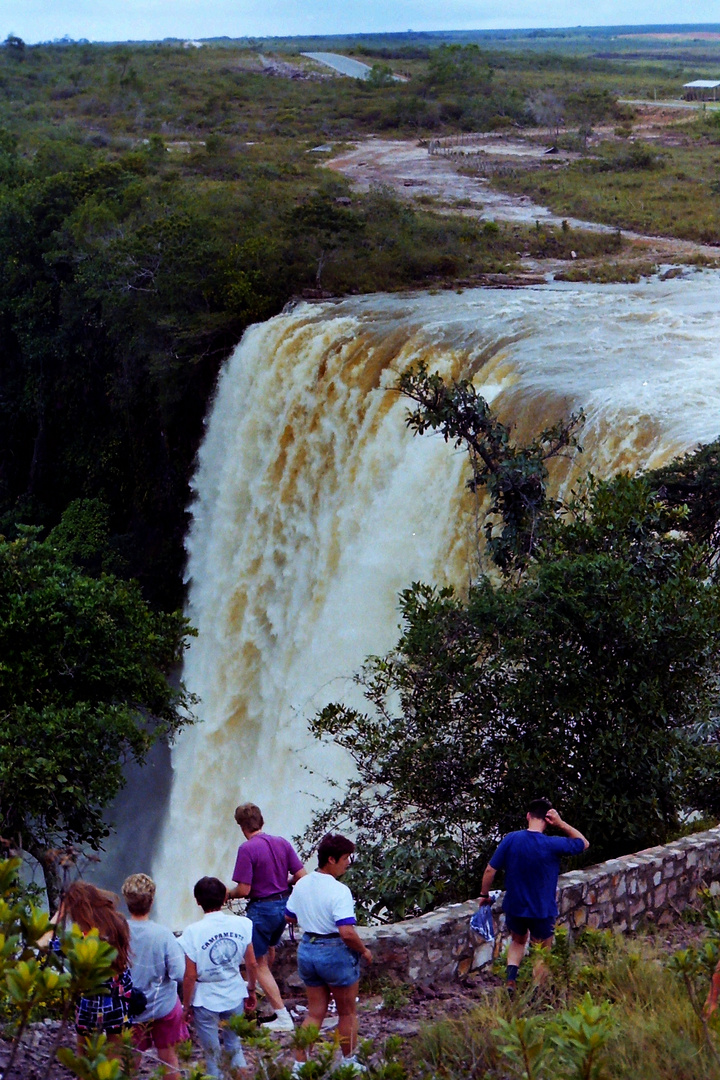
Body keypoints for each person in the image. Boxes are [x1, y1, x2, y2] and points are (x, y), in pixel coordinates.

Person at [478, 798, 589, 993]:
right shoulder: (553, 844)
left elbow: (489, 870)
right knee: (541, 950)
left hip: (515, 905)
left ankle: (511, 981)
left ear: (528, 816)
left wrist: (484, 894)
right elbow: (583, 843)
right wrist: (561, 824)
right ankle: (536, 992)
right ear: (548, 820)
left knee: (518, 941)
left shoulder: (511, 839)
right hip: (542, 909)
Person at [285, 833, 372, 1073]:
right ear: (331, 859)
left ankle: (299, 1066)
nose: (348, 863)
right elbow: (346, 932)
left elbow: (289, 916)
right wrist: (363, 950)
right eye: (345, 858)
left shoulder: (301, 883)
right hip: (334, 952)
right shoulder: (339, 890)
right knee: (347, 1013)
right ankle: (348, 1063)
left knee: (314, 1013)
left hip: (307, 950)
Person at [227, 802, 306, 1031]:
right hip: (284, 906)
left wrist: (227, 894)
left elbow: (243, 890)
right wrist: (285, 883)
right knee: (269, 949)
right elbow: (301, 876)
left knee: (258, 962)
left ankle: (282, 1017)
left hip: (261, 909)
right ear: (261, 821)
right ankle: (266, 995)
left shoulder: (247, 849)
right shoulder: (281, 842)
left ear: (242, 826)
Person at [180, 876, 258, 1079]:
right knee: (235, 1046)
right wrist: (251, 989)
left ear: (198, 901)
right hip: (234, 989)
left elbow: (190, 976)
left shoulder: (192, 932)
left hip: (205, 997)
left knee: (212, 1053)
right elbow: (251, 963)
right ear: (225, 898)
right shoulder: (243, 924)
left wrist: (186, 1006)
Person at [121, 873, 188, 1080]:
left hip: (129, 1008)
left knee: (128, 1061)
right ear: (152, 900)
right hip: (163, 1007)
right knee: (169, 1059)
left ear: (126, 900)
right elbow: (178, 973)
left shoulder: (118, 931)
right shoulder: (163, 934)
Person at [59, 881, 136, 1049]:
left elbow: (43, 943)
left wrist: (59, 914)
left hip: (89, 1002)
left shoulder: (78, 939)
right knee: (115, 1058)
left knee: (85, 1058)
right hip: (118, 1001)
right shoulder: (119, 923)